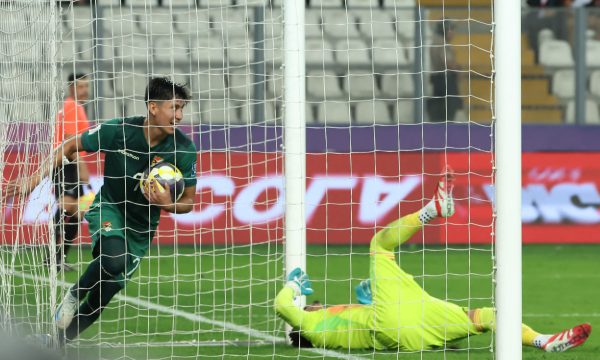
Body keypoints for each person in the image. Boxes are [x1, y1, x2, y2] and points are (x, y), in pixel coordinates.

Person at [275, 170, 592, 352]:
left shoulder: (333, 324)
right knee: (378, 245)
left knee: (485, 316)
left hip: (411, 331)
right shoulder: (311, 326)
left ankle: (543, 341)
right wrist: (292, 284)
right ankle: (431, 210)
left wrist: (367, 300)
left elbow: (360, 321)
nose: (315, 304)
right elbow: (284, 307)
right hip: (392, 321)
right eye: (312, 305)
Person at [5, 77, 198, 342]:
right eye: (174, 108)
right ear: (153, 107)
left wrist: (168, 205)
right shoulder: (119, 131)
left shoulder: (184, 149)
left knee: (102, 296)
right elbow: (70, 145)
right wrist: (34, 180)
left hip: (141, 229)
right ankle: (74, 292)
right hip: (110, 208)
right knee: (113, 261)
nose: (179, 116)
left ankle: (54, 343)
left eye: (181, 109)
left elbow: (188, 201)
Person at [48, 73, 92, 271]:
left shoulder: (74, 107)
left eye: (87, 86)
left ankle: (59, 257)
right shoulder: (72, 107)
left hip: (69, 164)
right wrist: (81, 166)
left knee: (78, 210)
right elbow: (69, 141)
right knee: (68, 206)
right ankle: (53, 256)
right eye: (82, 86)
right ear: (72, 88)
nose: (86, 90)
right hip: (65, 162)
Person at [428, 21, 463, 122]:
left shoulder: (434, 42)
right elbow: (448, 63)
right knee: (449, 112)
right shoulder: (442, 44)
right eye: (451, 30)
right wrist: (458, 69)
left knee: (438, 114)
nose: (453, 33)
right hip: (445, 80)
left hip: (436, 79)